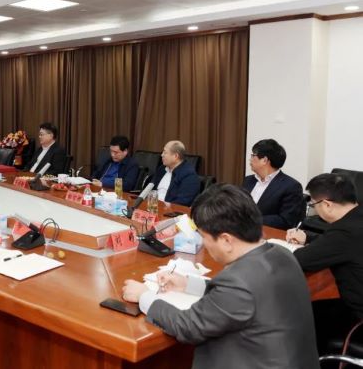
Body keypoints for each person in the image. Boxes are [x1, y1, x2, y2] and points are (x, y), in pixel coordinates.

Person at [122, 184, 318, 369]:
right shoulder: (281, 253)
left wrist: (144, 296)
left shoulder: (238, 282)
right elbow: (242, 298)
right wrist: (187, 284)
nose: (204, 244)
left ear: (226, 240)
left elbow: (188, 326)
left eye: (203, 237)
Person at [286, 173, 363, 355]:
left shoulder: (344, 232)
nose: (314, 209)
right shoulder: (356, 218)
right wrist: (308, 238)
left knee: (300, 313)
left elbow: (300, 260)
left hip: (358, 317)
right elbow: (338, 245)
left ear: (327, 205)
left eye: (313, 205)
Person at [242, 139, 304, 229]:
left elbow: (285, 220)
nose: (250, 159)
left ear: (264, 160)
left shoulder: (291, 186)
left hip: (266, 233)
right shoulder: (248, 180)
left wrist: (251, 220)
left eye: (253, 155)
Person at [151, 140, 200, 206]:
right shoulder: (162, 169)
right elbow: (150, 189)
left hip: (168, 210)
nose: (162, 155)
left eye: (165, 152)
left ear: (176, 156)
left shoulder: (189, 176)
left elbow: (181, 203)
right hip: (152, 206)